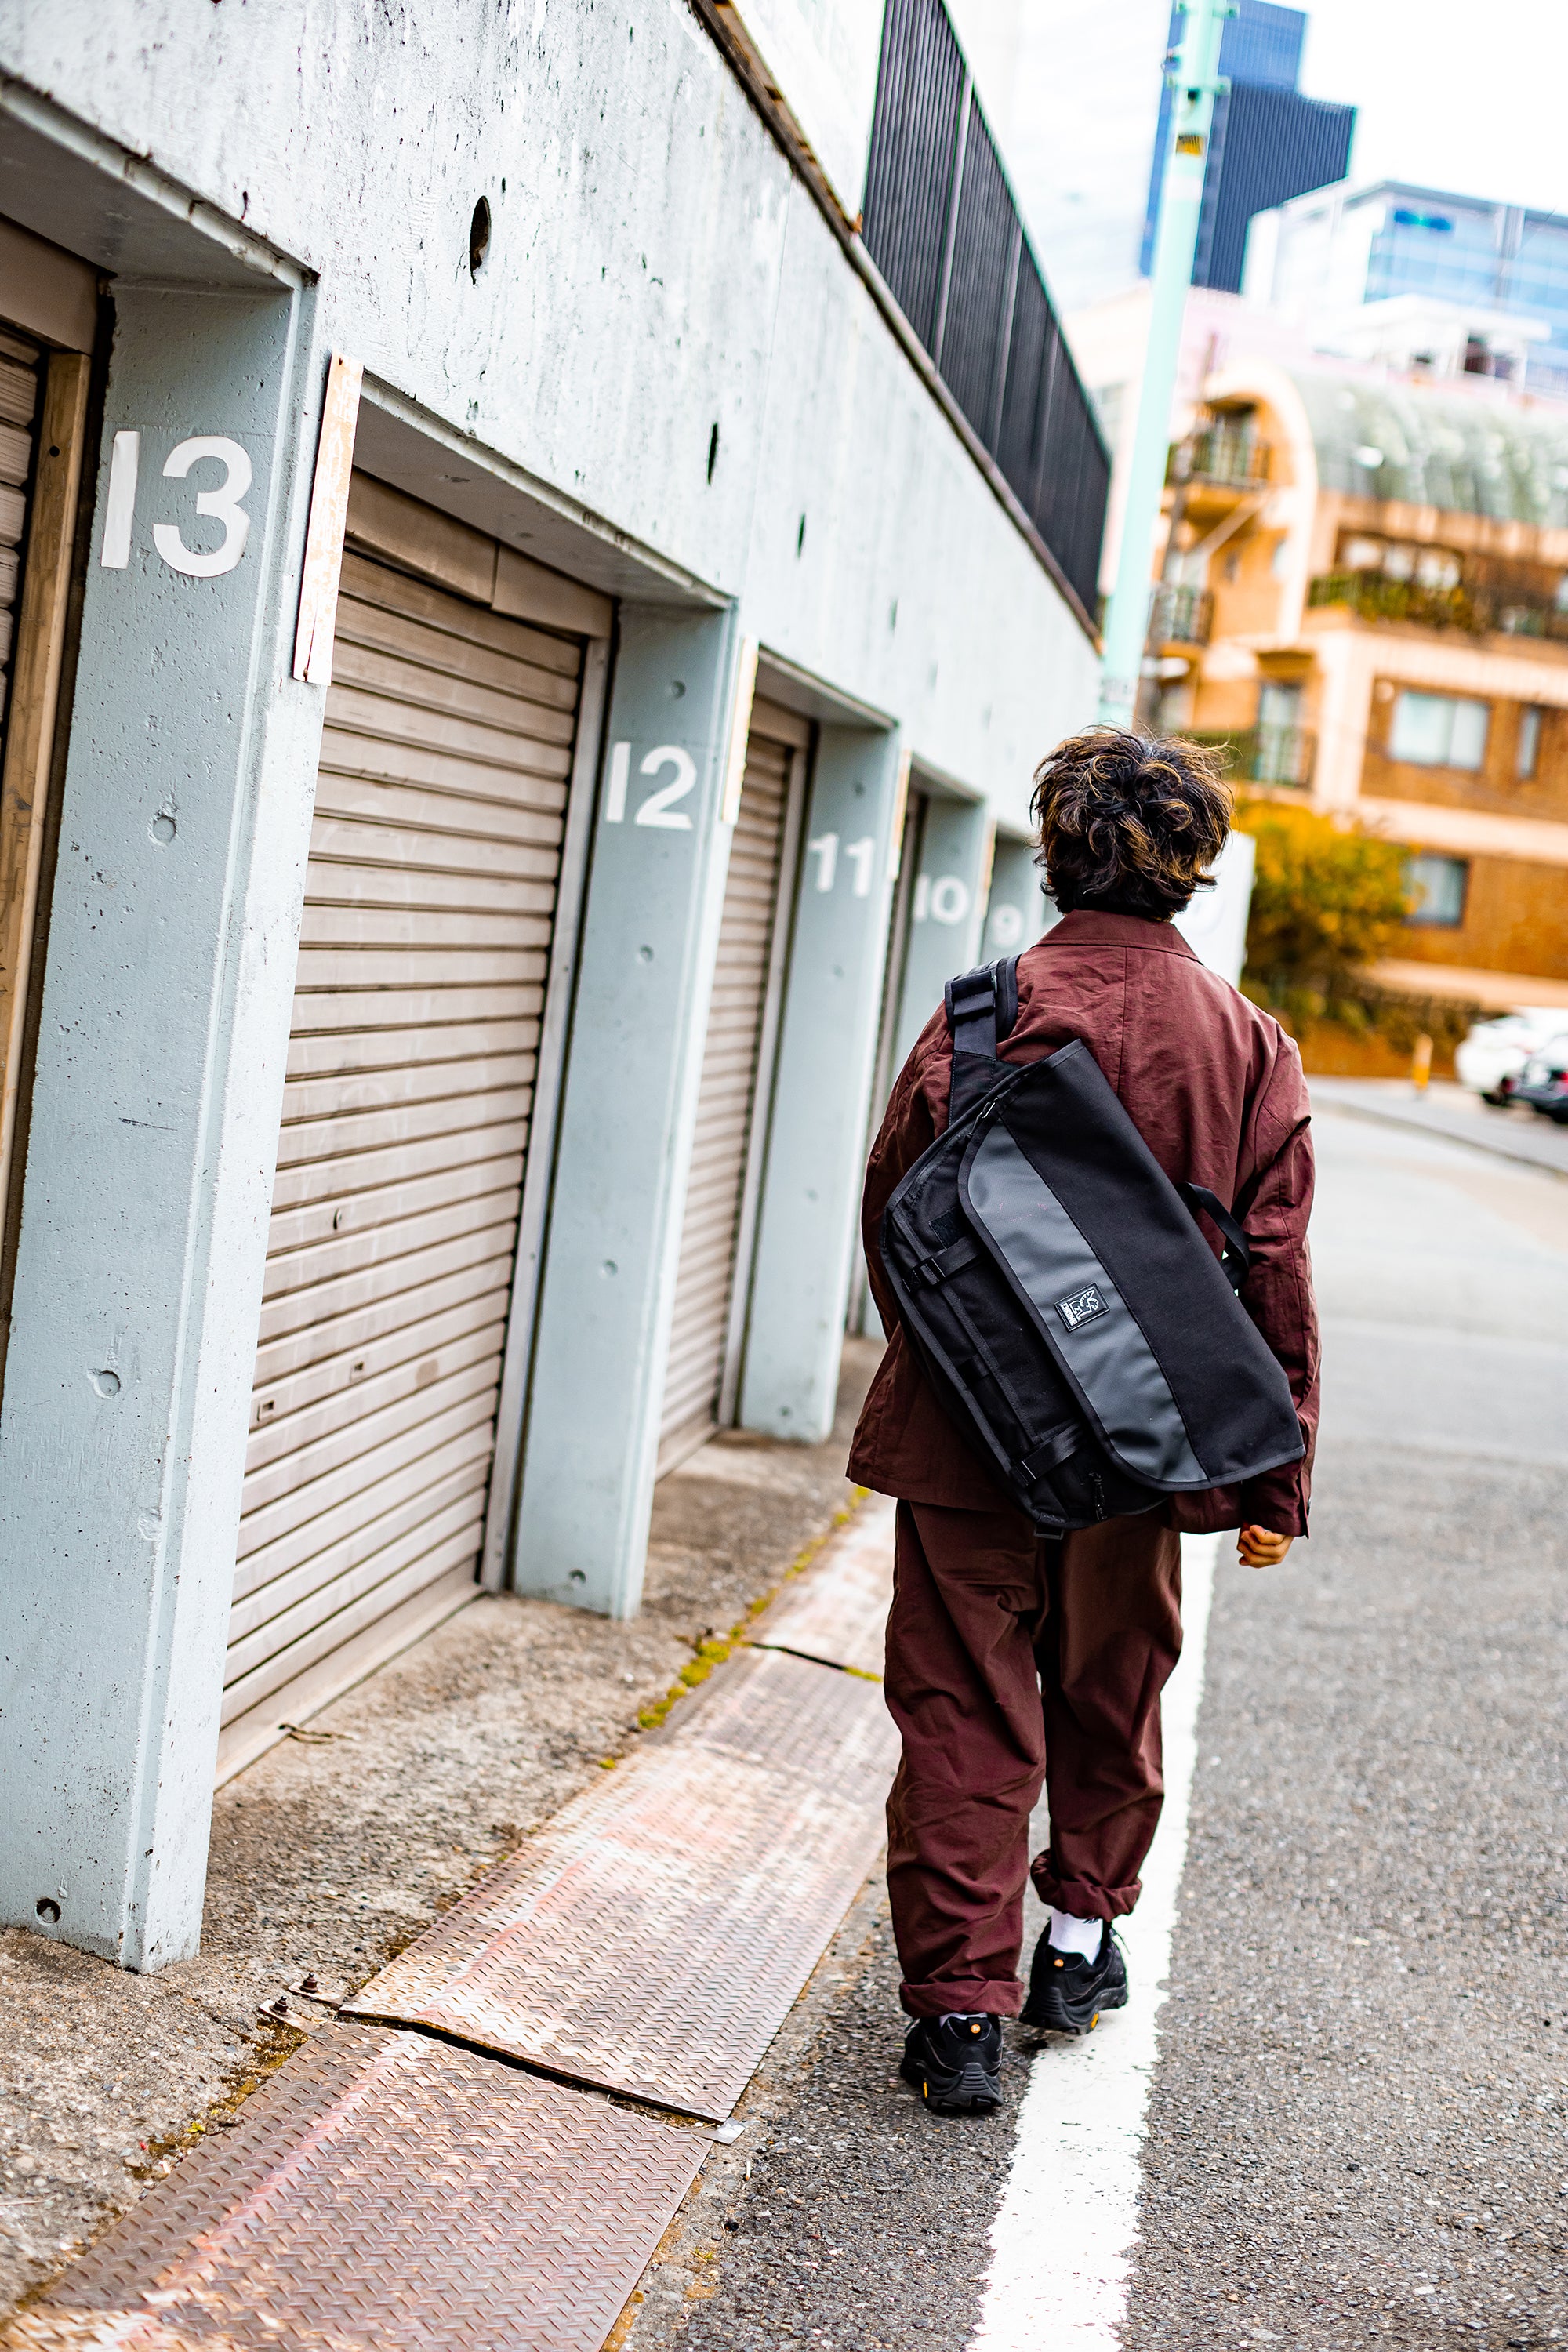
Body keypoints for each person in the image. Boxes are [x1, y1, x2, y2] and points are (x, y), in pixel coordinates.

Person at [849, 728, 1319, 2116]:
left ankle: (958, 2023)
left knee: (960, 1713)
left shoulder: (981, 1012)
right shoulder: (1246, 1042)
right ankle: (1073, 1949)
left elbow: (899, 1215)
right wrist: (1272, 1477)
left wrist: (971, 1375)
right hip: (1144, 1443)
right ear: (1196, 870)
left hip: (964, 1443)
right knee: (1109, 1696)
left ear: (1058, 856)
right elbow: (1277, 1264)